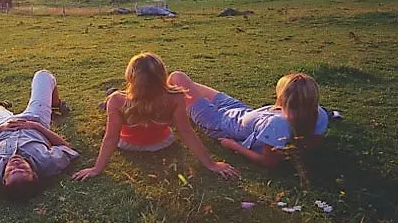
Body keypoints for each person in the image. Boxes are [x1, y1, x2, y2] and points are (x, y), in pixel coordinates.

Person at [72, 52, 239, 181]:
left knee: (113, 101)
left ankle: (110, 102)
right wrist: (211, 164)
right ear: (162, 76)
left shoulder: (117, 100)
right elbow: (186, 133)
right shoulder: (176, 97)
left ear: (130, 77)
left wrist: (96, 169)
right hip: (162, 143)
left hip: (128, 145)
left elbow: (111, 138)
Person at [168, 71, 328, 168]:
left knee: (177, 78)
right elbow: (312, 145)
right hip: (240, 110)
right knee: (190, 85)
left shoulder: (277, 125)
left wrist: (235, 146)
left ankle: (166, 112)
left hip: (218, 122)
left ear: (283, 98)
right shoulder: (318, 114)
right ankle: (172, 105)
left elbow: (268, 162)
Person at [0, 69, 78, 199]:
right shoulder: (48, 162)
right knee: (43, 75)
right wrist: (36, 126)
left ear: (4, 179)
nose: (15, 163)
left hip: (2, 126)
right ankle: (55, 105)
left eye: (10, 171)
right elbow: (66, 147)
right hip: (34, 119)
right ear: (34, 174)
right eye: (23, 169)